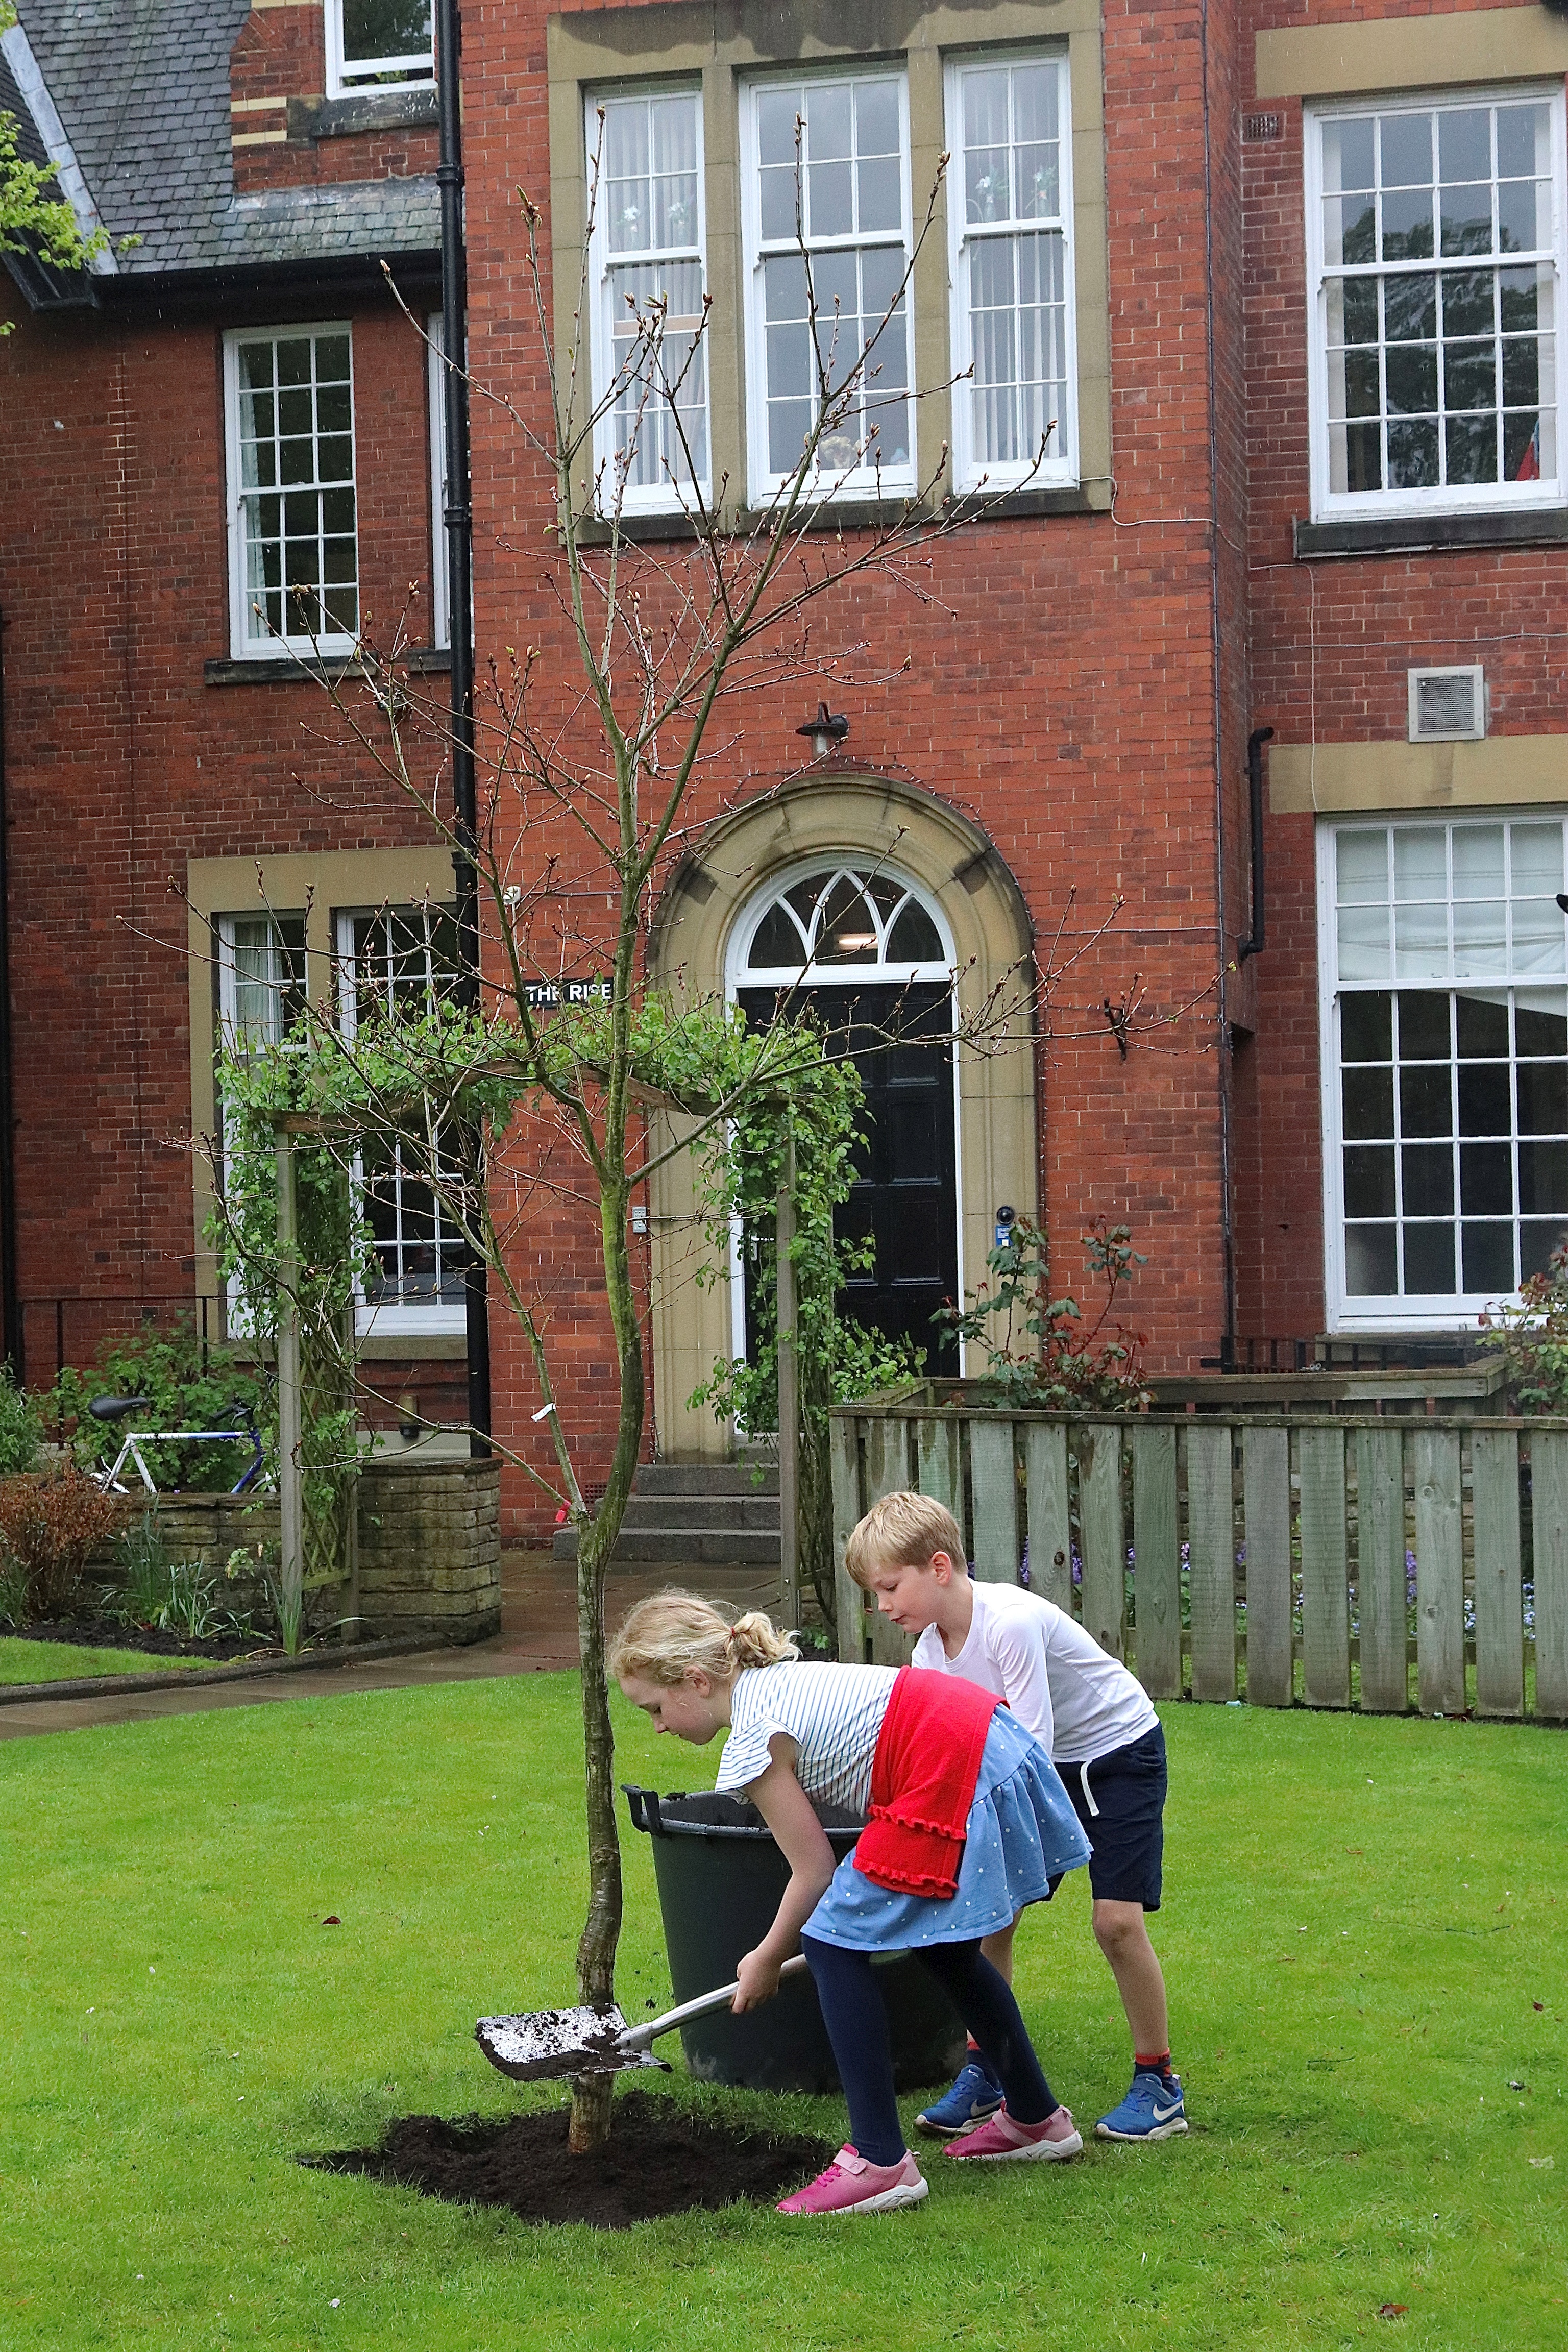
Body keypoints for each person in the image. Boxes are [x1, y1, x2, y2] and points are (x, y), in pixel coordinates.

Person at [610, 1589, 1092, 2217]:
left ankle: (880, 2161)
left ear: (696, 1681)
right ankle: (1035, 2119)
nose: (658, 1726)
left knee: (832, 1939)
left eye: (654, 1708)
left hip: (955, 1762)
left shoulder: (755, 1735)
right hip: (986, 1742)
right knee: (945, 1949)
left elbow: (813, 1872)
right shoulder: (776, 1685)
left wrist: (764, 1957)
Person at [844, 1489, 1187, 2146]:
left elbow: (1030, 1741)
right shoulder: (928, 1653)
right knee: (989, 1915)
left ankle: (1158, 2084)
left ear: (938, 1567)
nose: (883, 1606)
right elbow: (940, 1746)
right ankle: (990, 2073)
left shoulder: (1010, 1623)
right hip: (1036, 1762)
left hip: (1118, 1756)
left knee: (1115, 1923)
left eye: (890, 1588)